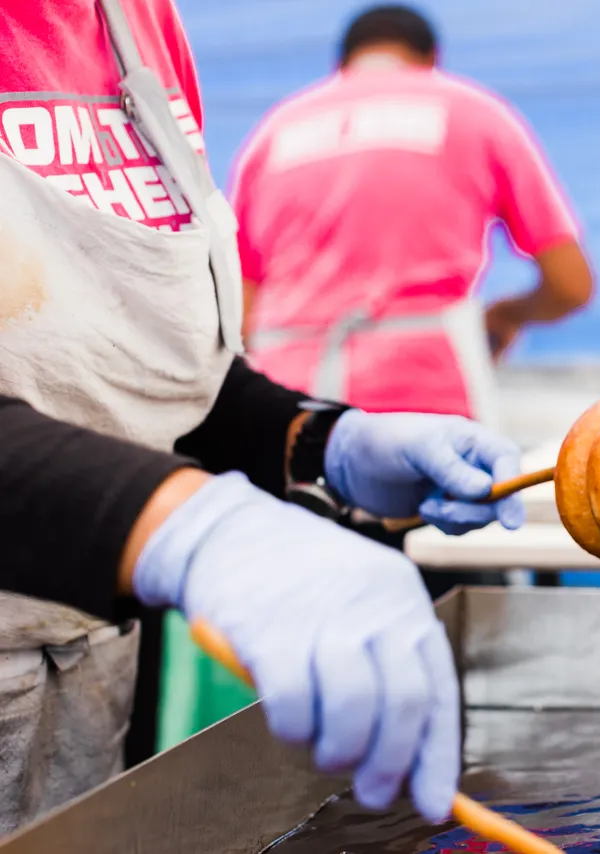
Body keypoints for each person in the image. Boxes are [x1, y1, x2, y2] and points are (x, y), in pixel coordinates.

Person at [0, 0, 514, 835]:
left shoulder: (138, 25)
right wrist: (194, 528)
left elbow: (155, 372)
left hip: (82, 692)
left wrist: (319, 440)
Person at [233, 4, 594, 429]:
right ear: (430, 61)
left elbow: (238, 311)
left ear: (341, 65)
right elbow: (571, 284)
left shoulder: (275, 131)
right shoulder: (473, 113)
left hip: (286, 413)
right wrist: (505, 316)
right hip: (425, 404)